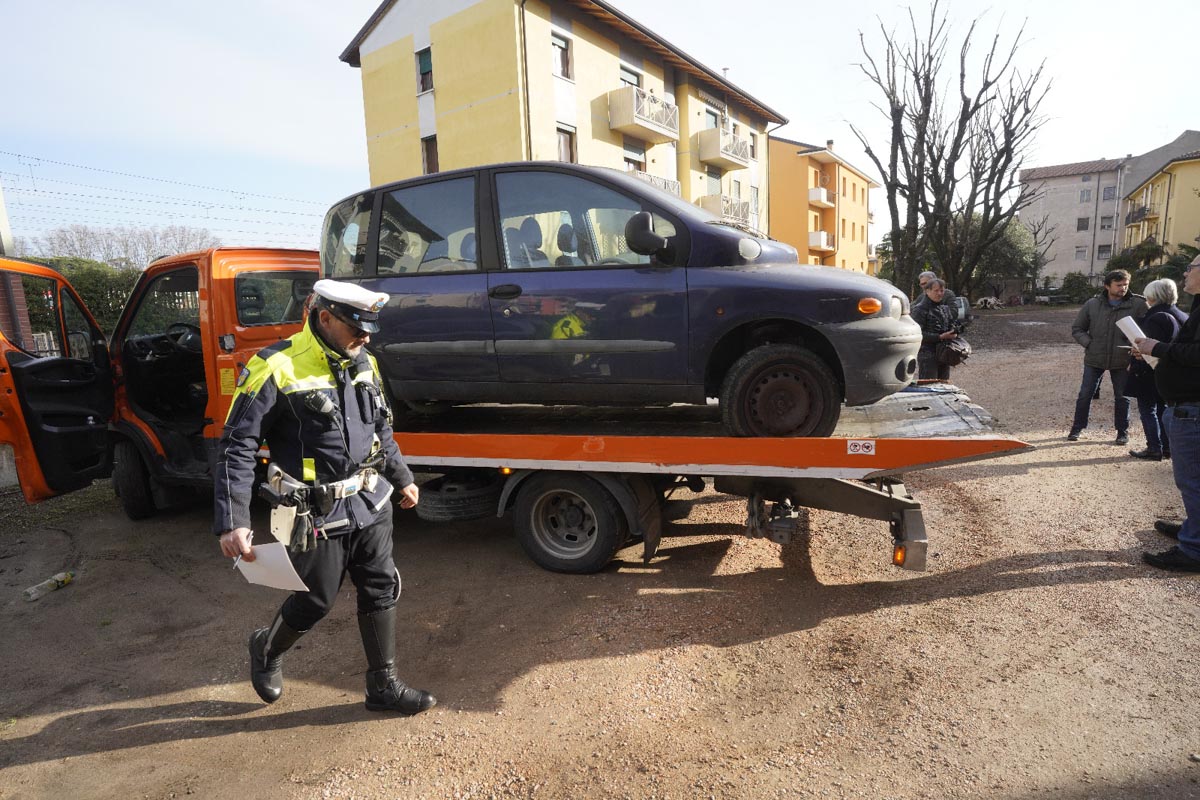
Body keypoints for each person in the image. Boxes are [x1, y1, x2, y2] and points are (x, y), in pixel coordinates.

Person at [215, 279, 436, 714]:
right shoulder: (275, 366)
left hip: (370, 501)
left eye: (370, 328)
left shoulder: (364, 361)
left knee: (381, 588)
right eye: (357, 327)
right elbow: (236, 445)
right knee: (315, 600)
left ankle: (383, 687)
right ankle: (266, 648)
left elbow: (381, 429)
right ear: (325, 318)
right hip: (314, 511)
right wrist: (233, 518)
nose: (367, 337)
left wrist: (402, 475)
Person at [1135, 254, 1200, 572]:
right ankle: (1193, 530)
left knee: (1193, 480)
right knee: (1191, 478)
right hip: (1186, 406)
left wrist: (1155, 348)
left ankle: (1195, 549)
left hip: (1193, 409)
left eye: (1192, 267)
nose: (1185, 272)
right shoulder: (1193, 309)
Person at [1067, 269, 1148, 443]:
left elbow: (1147, 330)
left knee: (1122, 396)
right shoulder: (1092, 304)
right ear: (1107, 286)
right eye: (1119, 285)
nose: (1123, 288)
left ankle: (1122, 432)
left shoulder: (1138, 304)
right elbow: (1077, 329)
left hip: (1123, 359)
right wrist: (1089, 343)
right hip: (1095, 358)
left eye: (1126, 285)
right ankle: (1077, 428)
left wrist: (1137, 347)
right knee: (1085, 394)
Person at [1125, 278, 1188, 460]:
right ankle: (1167, 447)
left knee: (1148, 409)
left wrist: (1135, 359)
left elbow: (1149, 348)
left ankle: (1154, 447)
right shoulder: (1183, 315)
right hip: (1174, 370)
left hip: (1152, 371)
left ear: (1152, 296)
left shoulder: (1156, 317)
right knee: (1163, 409)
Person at [910, 278, 959, 380]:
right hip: (927, 354)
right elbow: (916, 334)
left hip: (945, 353)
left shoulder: (944, 308)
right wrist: (939, 336)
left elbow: (951, 324)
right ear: (927, 291)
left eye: (942, 291)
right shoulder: (919, 309)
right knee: (928, 386)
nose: (939, 293)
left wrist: (954, 331)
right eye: (936, 291)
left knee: (944, 386)